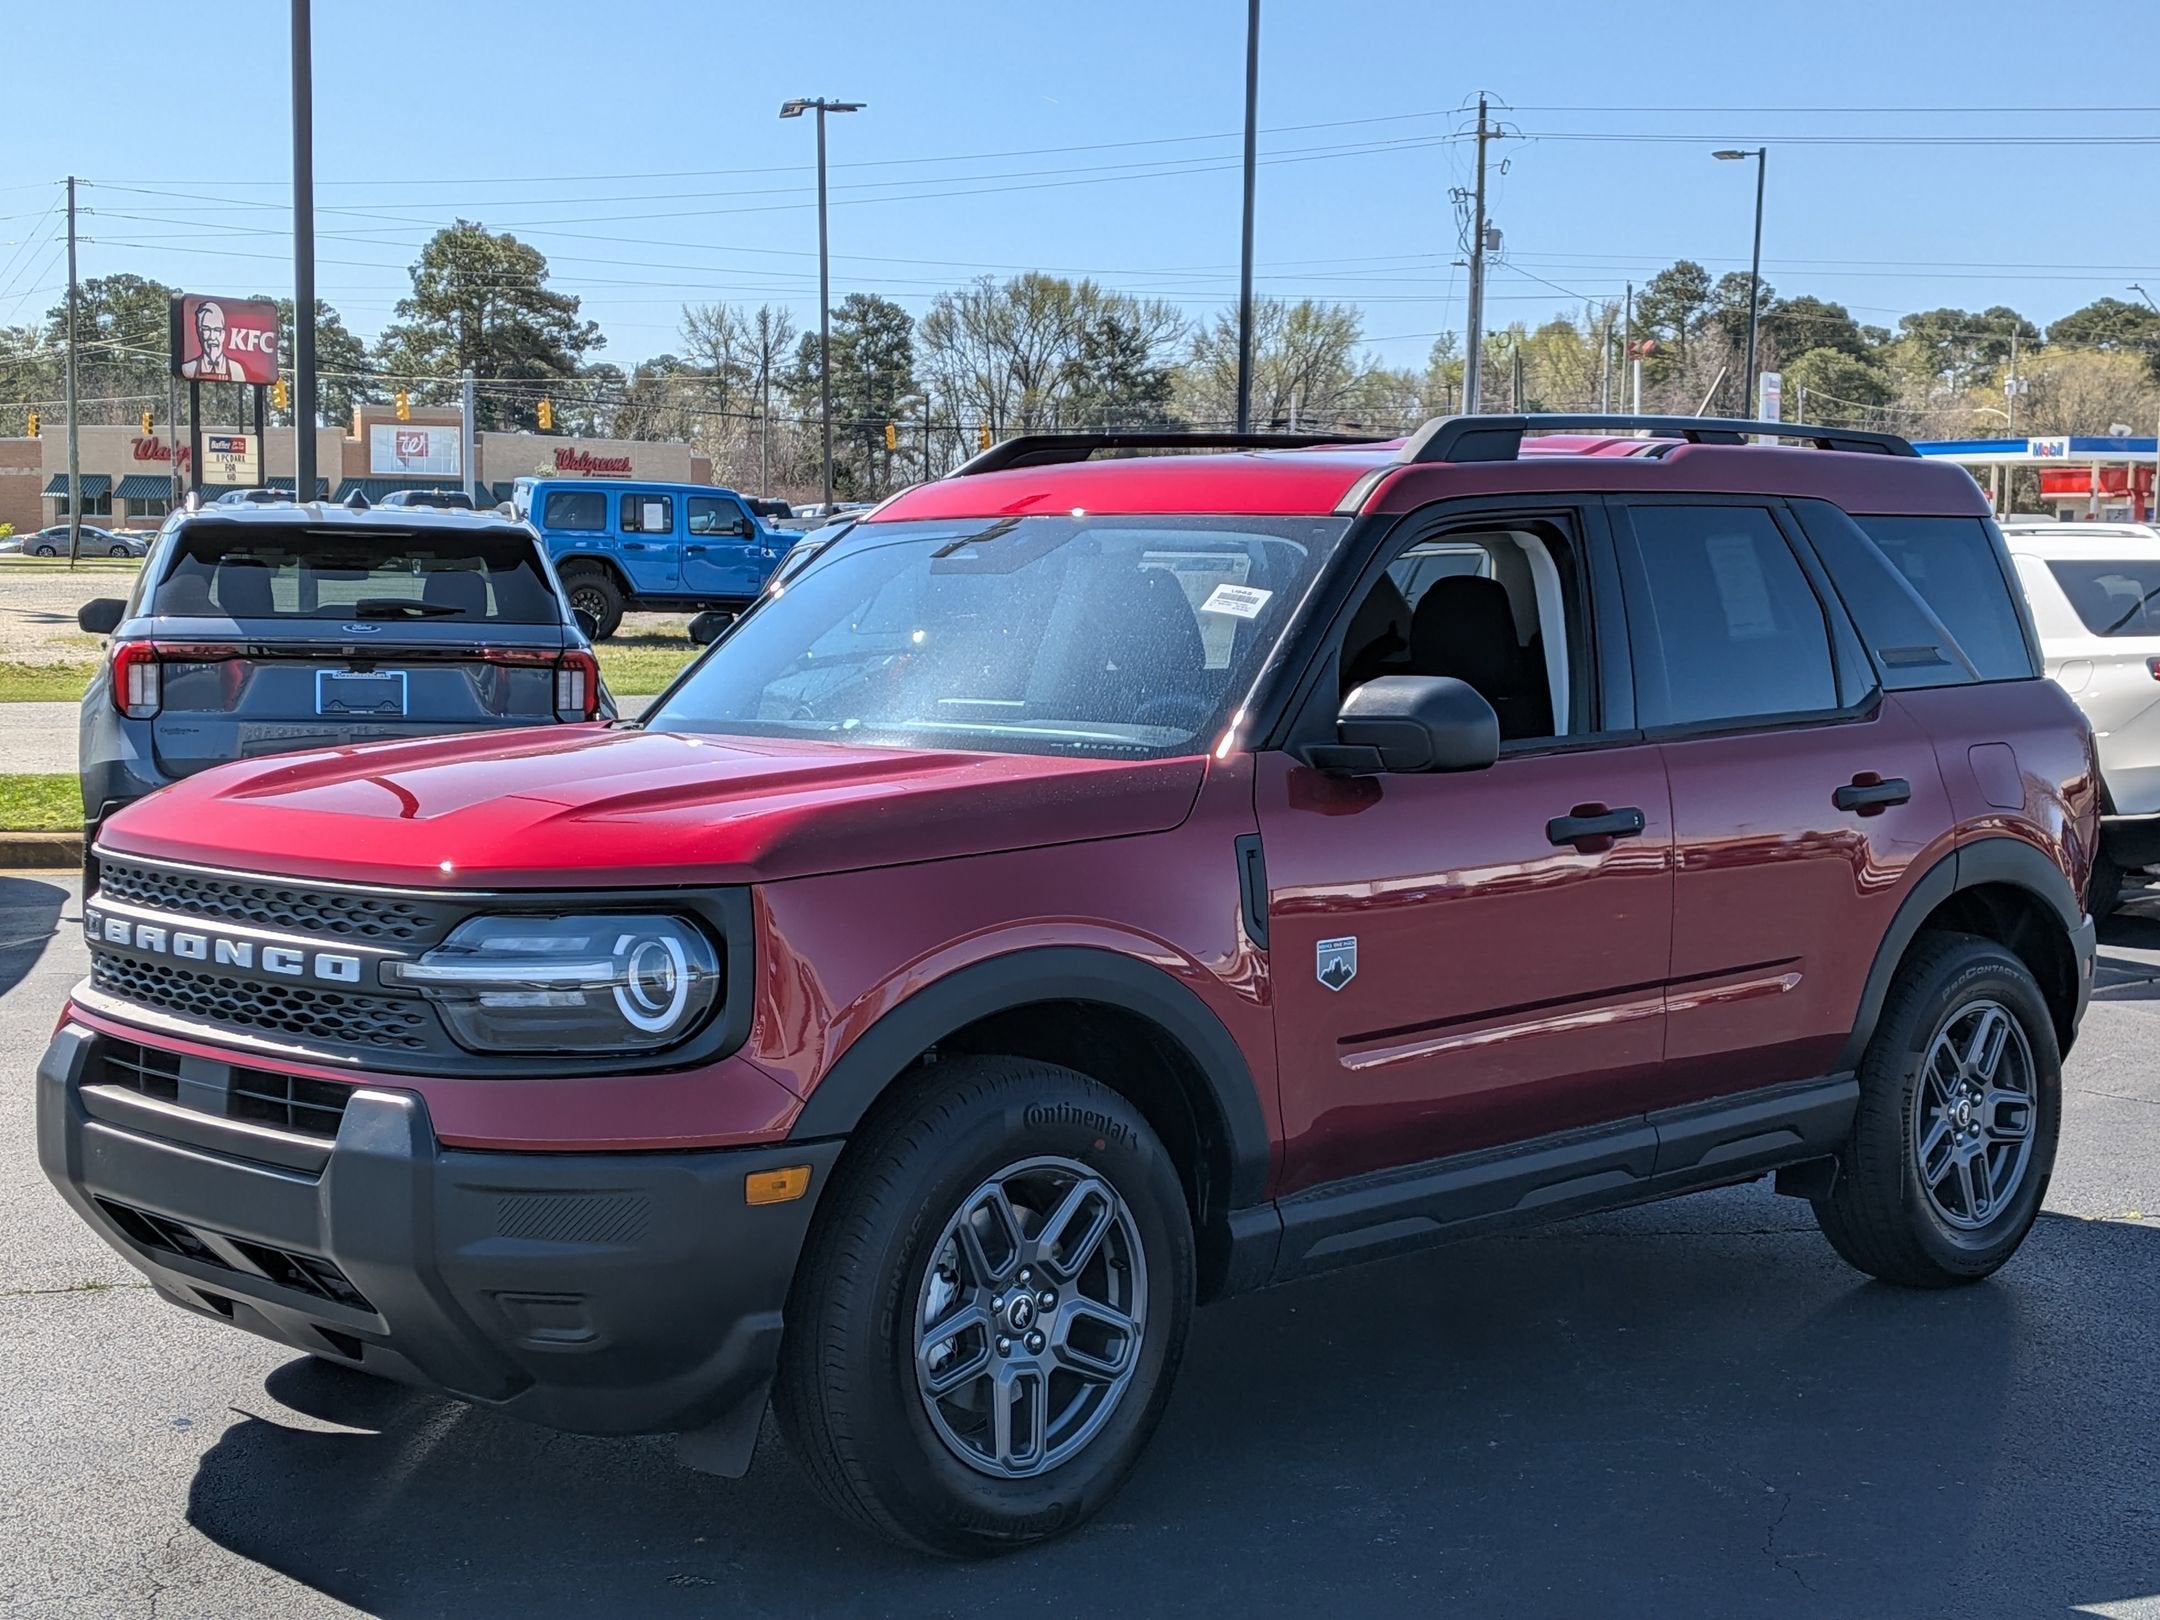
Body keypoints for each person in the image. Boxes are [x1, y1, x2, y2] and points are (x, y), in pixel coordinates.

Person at [178, 301, 244, 383]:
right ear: (199, 332)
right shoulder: (188, 368)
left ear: (223, 334)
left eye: (217, 330)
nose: (212, 337)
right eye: (206, 329)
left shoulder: (236, 370)